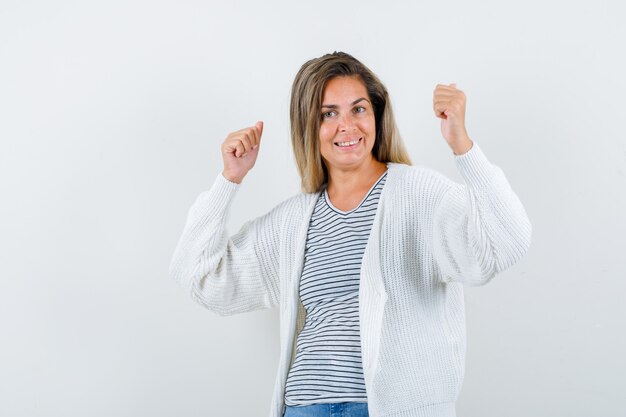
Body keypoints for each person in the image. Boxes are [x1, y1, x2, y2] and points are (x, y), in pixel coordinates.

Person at [168, 51, 532, 417]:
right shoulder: (293, 221)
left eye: (358, 109)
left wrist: (462, 146)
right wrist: (229, 179)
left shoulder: (418, 194)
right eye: (329, 114)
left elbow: (505, 242)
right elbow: (200, 277)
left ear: (376, 114)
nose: (347, 125)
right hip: (304, 407)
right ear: (309, 126)